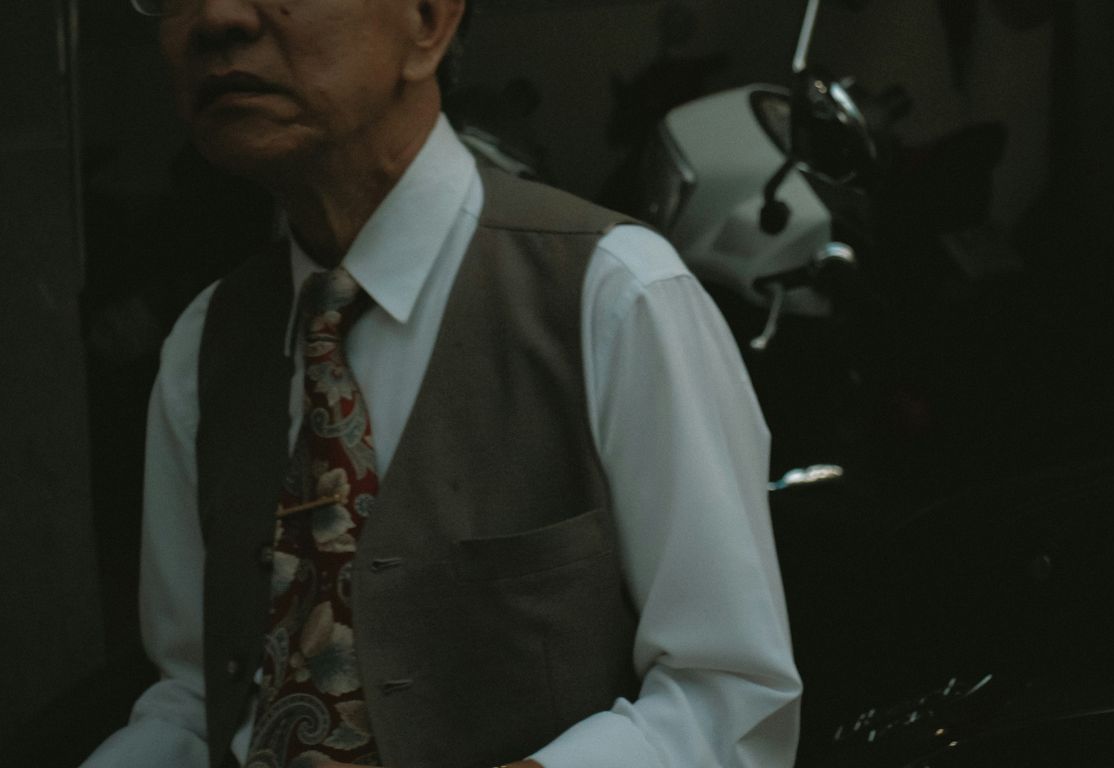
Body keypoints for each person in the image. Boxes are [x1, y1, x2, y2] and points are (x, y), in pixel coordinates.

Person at [81, 0, 802, 766]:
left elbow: (728, 699)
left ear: (427, 21)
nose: (216, 18)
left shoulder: (614, 298)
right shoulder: (206, 345)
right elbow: (198, 698)